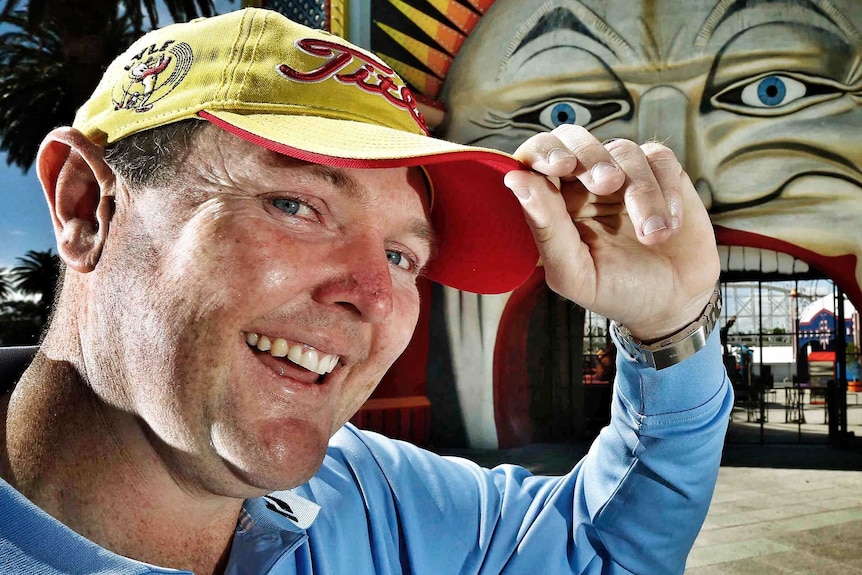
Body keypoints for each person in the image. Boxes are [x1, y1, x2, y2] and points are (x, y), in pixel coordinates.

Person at [0, 8, 731, 575]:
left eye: (404, 254)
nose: (376, 297)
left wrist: (672, 331)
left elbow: (597, 550)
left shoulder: (370, 493)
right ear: (84, 206)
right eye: (296, 205)